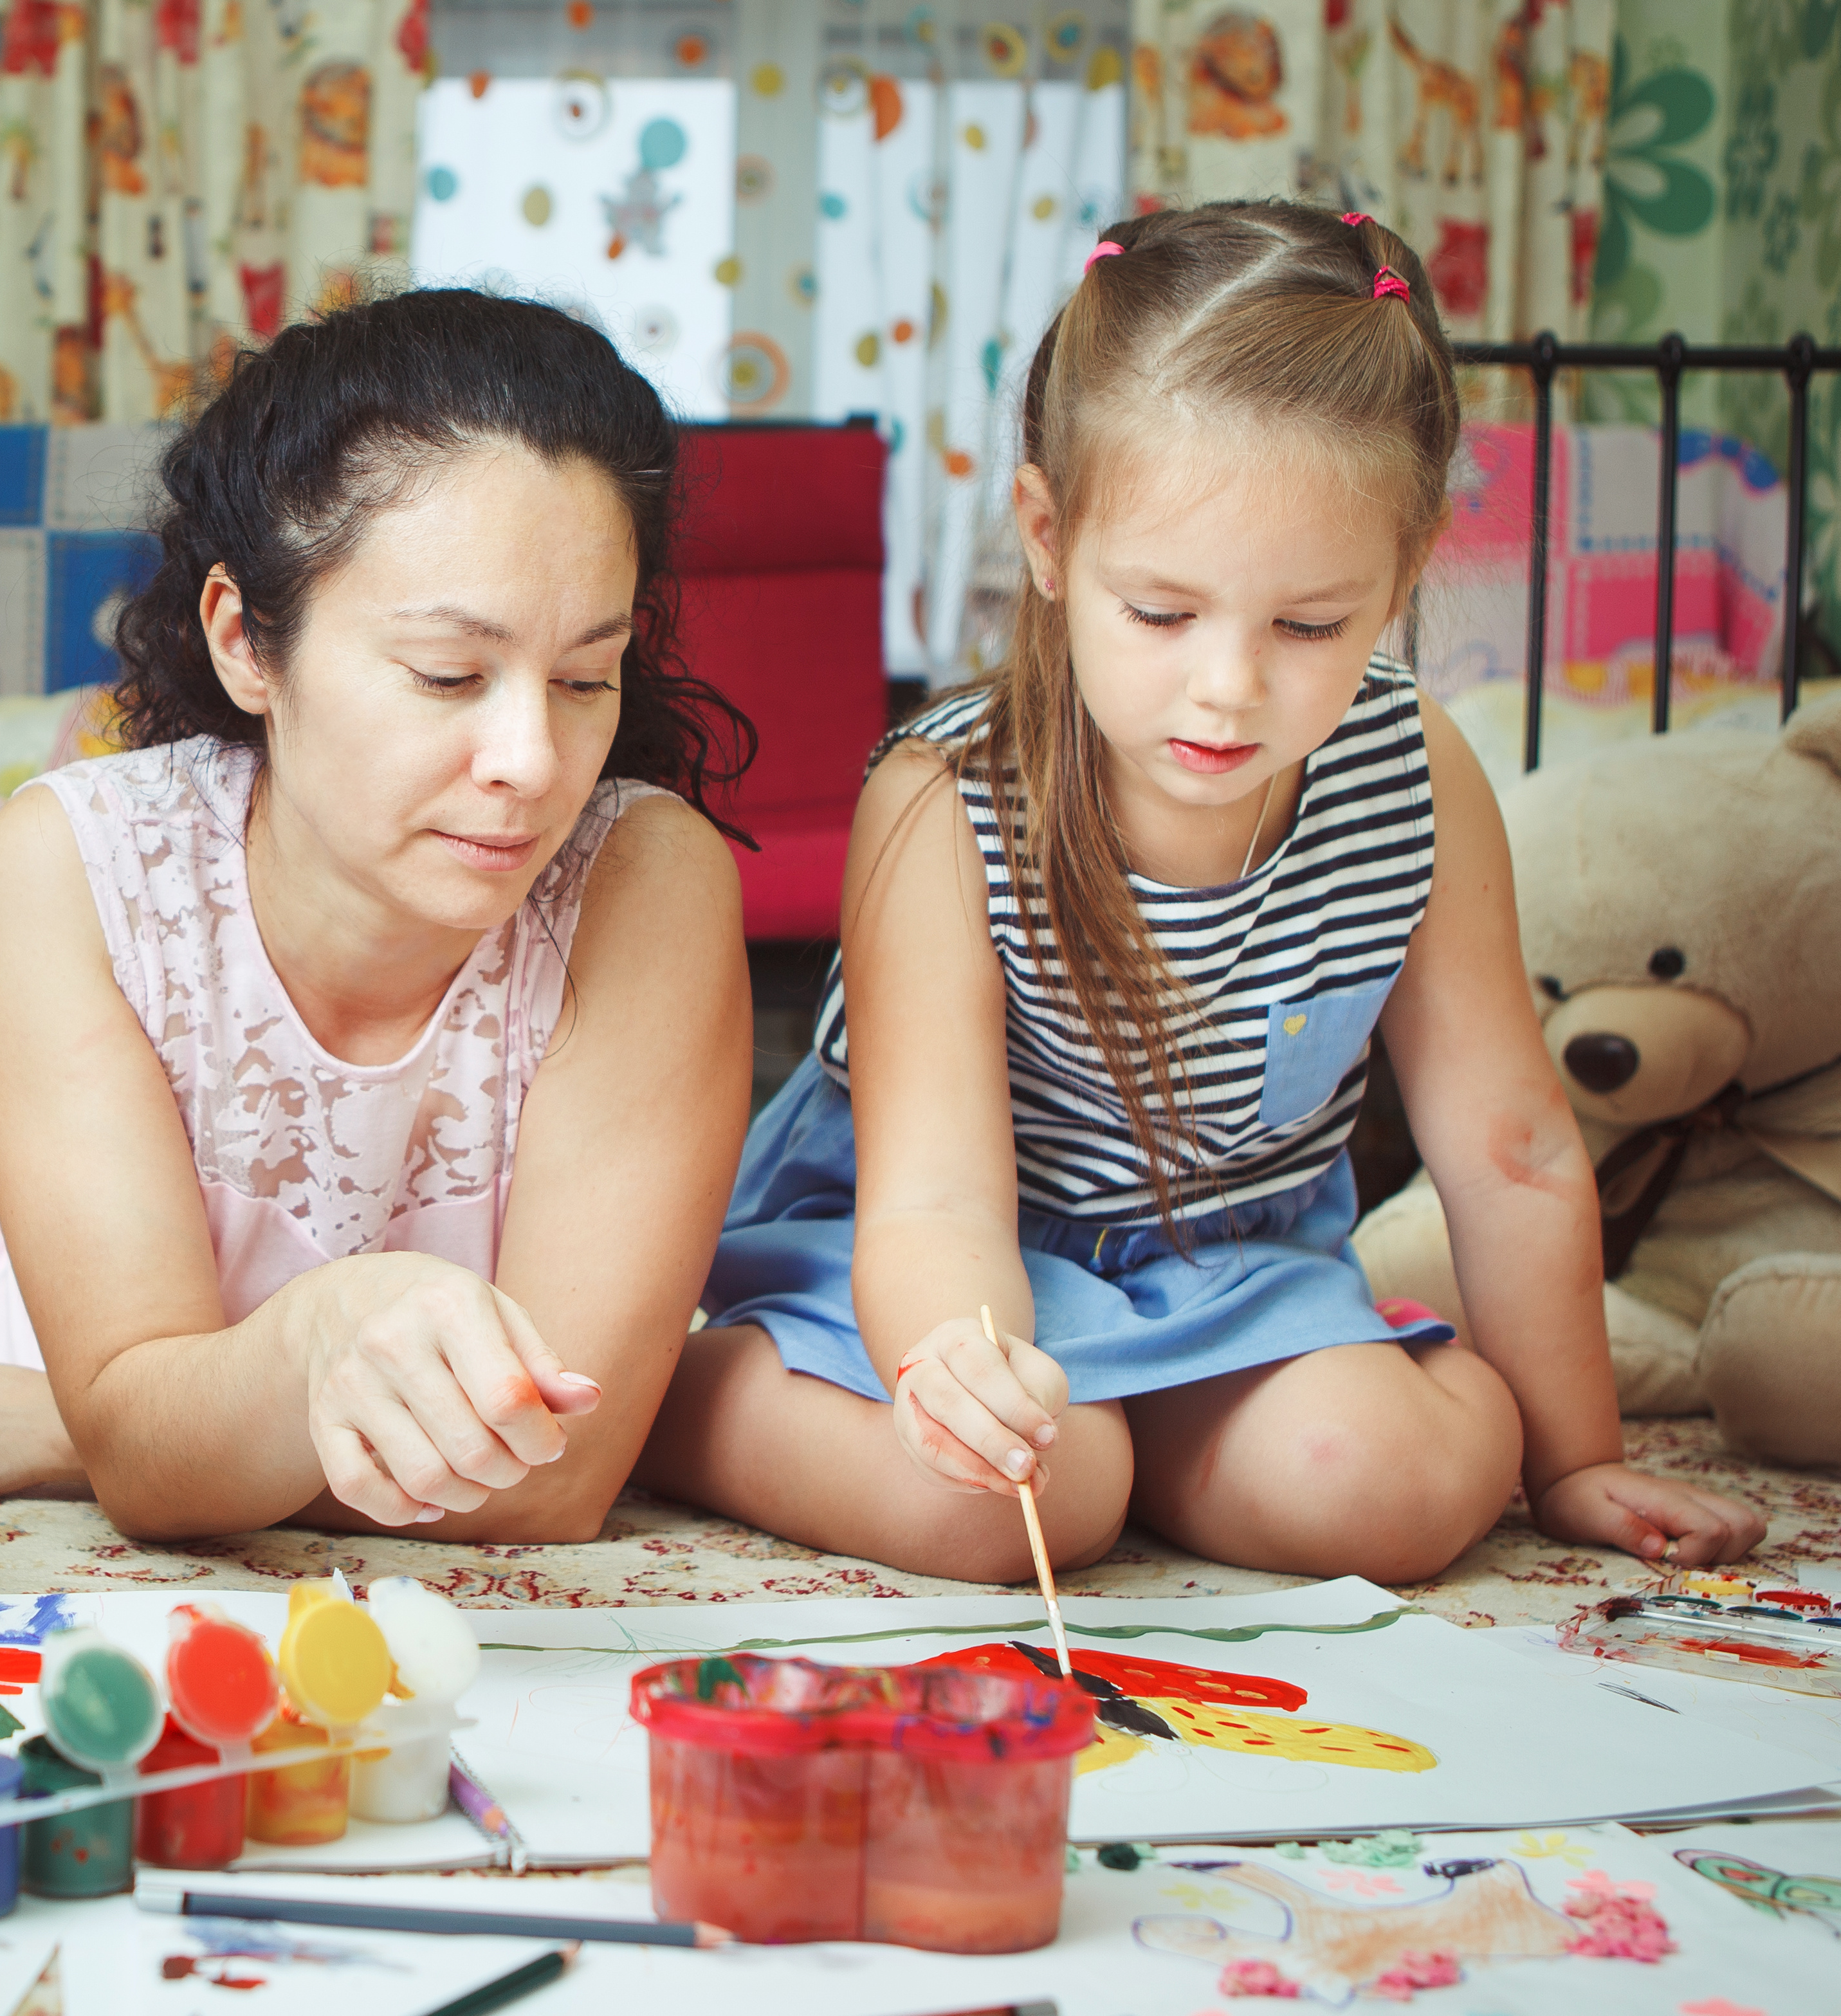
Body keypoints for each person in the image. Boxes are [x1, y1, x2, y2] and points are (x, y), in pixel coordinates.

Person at [634, 203, 1764, 1585]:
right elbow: (930, 1202)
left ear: (1402, 574)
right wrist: (963, 1372)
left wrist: (1571, 1456)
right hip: (926, 1256)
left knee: (1382, 1490)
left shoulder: (1412, 771)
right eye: (1159, 614)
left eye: (1306, 625)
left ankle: (1158, 1441)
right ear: (1047, 537)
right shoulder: (940, 800)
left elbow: (1512, 1149)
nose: (1227, 689)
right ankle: (684, 1399)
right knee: (1008, 1504)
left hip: (1226, 1268)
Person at [0, 288, 755, 1543]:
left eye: (585, 677)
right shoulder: (71, 871)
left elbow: (554, 1478)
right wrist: (247, 1376)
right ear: (243, 641)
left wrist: (74, 1436)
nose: (532, 761)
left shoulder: (644, 884)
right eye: (446, 675)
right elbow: (147, 1432)